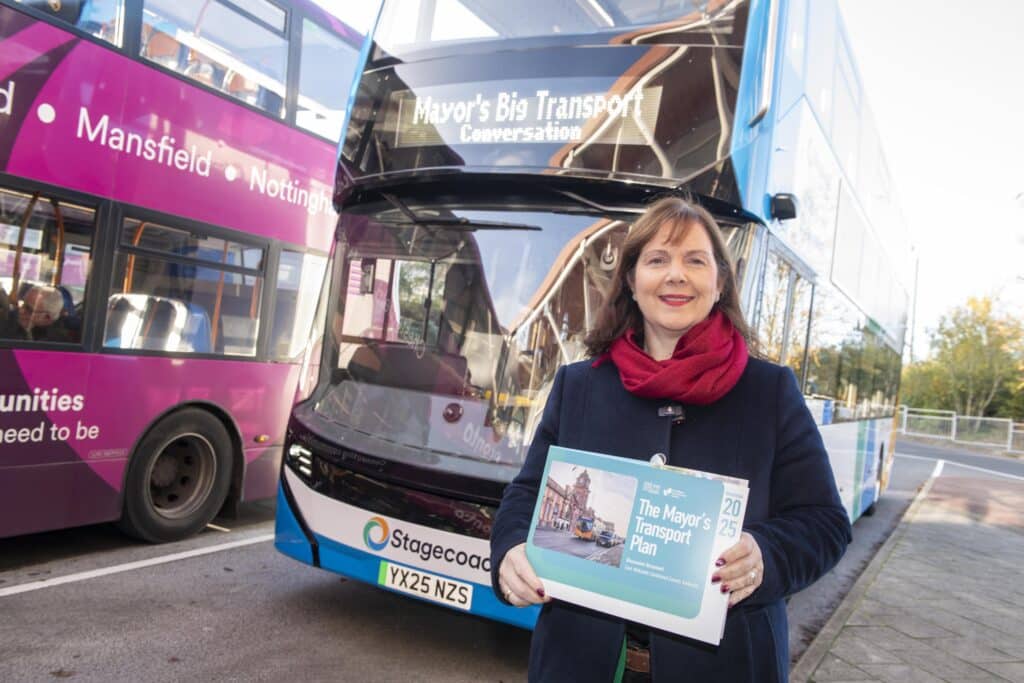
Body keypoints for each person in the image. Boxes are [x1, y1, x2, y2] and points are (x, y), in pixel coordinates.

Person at [490, 197, 851, 682]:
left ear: (720, 282)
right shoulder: (580, 386)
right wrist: (510, 548)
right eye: (657, 260)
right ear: (632, 283)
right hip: (578, 664)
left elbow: (825, 523)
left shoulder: (770, 392)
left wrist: (767, 554)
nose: (676, 275)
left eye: (695, 260)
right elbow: (525, 493)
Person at [1, 285, 70, 342]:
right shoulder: (7, 320)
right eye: (22, 304)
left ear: (47, 318)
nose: (21, 311)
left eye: (28, 309)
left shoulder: (59, 342)